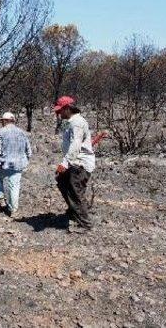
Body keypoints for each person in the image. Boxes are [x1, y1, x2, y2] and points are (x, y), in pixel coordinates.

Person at [53, 96, 96, 233]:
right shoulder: (71, 122)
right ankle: (74, 211)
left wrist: (65, 163)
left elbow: (75, 145)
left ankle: (85, 223)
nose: (58, 114)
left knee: (75, 193)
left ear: (67, 109)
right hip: (74, 162)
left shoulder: (76, 122)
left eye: (60, 111)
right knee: (62, 181)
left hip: (79, 163)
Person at [0, 112, 32, 218]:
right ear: (13, 120)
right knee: (14, 186)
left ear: (5, 121)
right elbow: (29, 151)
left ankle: (1, 199)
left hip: (5, 163)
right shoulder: (22, 132)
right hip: (19, 164)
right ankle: (13, 210)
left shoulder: (1, 132)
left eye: (2, 121)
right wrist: (25, 160)